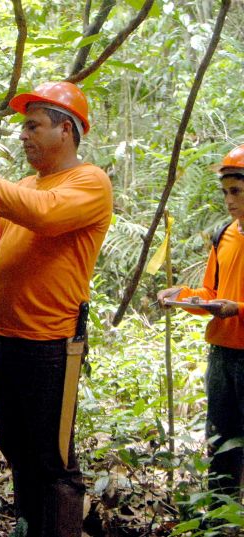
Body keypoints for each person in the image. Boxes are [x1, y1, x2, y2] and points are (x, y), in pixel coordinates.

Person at [0, 81, 113, 537]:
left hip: (51, 345)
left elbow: (44, 214)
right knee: (17, 450)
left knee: (52, 461)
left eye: (33, 125)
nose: (23, 135)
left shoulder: (89, 183)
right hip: (6, 338)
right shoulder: (23, 187)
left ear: (66, 130)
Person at [157, 144, 244, 503]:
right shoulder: (224, 235)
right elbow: (212, 293)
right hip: (222, 355)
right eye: (225, 192)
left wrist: (237, 309)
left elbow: (229, 303)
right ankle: (222, 516)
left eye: (236, 191)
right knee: (221, 440)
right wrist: (183, 295)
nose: (229, 200)